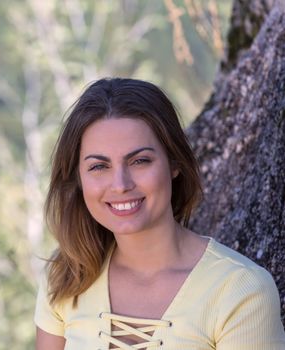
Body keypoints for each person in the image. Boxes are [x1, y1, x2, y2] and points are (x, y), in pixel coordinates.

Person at [34, 78, 285, 349]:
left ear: (174, 163)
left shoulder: (240, 290)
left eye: (140, 161)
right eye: (99, 166)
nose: (120, 185)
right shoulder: (67, 274)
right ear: (78, 177)